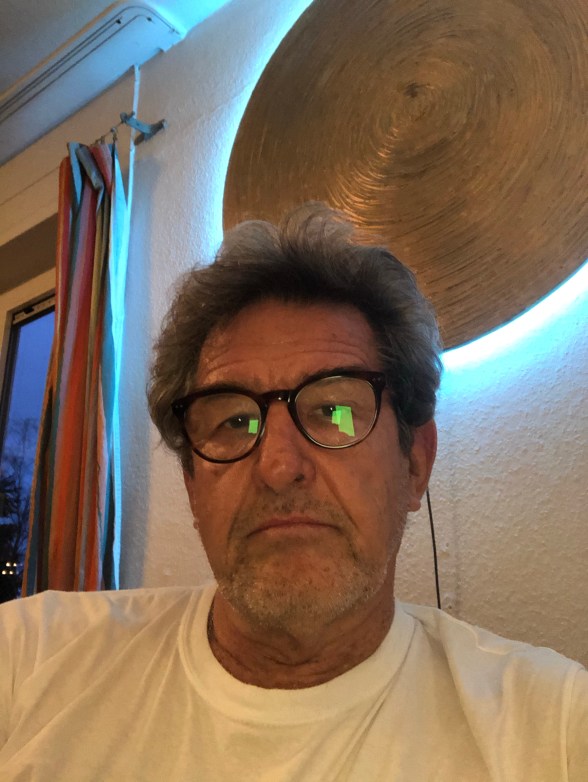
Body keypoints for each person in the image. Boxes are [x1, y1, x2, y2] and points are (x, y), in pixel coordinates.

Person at [0, 203, 586, 780]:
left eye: (334, 410)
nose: (279, 466)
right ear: (192, 485)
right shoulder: (31, 657)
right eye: (234, 422)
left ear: (414, 463)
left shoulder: (552, 728)